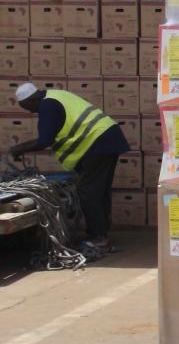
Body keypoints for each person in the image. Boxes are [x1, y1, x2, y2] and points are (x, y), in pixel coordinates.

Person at [8, 83, 130, 248]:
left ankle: (98, 237)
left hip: (98, 142)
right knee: (99, 191)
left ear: (31, 100)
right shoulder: (55, 95)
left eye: (26, 107)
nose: (30, 111)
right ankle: (101, 232)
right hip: (105, 138)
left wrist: (18, 149)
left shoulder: (47, 105)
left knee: (88, 191)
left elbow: (45, 140)